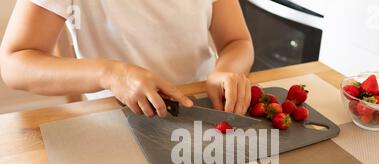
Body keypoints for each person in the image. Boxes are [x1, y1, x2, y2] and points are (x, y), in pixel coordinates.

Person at [0, 0, 254, 117]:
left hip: (202, 105)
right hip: (114, 116)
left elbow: (237, 41)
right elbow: (15, 63)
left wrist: (226, 69)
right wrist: (109, 74)